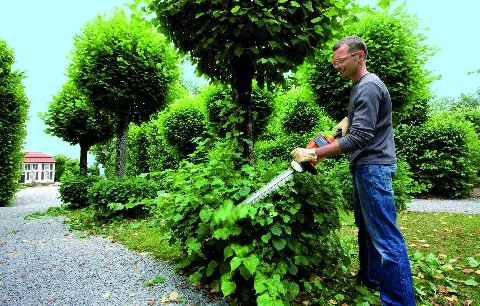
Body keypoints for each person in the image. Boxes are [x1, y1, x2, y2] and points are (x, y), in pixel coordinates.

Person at [290, 36, 416, 305]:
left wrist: (315, 152)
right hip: (366, 167)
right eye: (333, 61)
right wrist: (340, 128)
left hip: (373, 167)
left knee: (385, 237)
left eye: (340, 60)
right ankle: (371, 279)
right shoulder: (361, 86)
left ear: (358, 56)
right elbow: (358, 123)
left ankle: (400, 301)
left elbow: (360, 137)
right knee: (366, 229)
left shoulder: (368, 87)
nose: (336, 65)